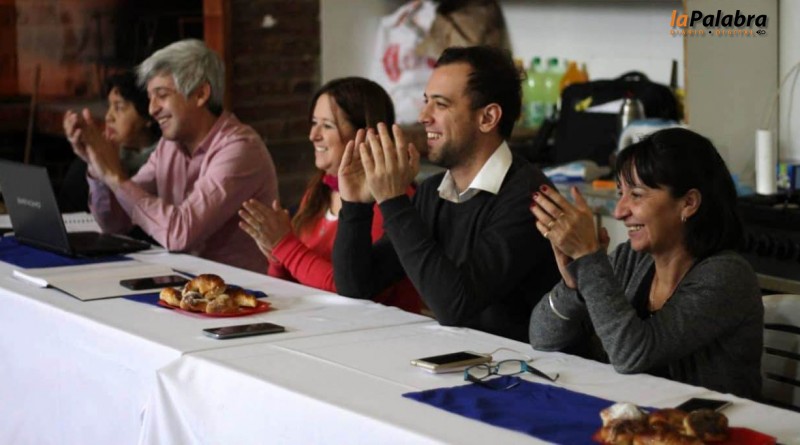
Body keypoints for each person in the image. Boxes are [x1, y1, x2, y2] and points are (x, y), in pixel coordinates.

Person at [332, 46, 559, 341]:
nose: (423, 116)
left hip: (523, 365)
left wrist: (393, 201)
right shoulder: (433, 191)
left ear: (488, 117)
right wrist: (355, 206)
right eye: (426, 101)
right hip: (464, 356)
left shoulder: (530, 198)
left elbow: (455, 306)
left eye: (440, 104)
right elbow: (357, 287)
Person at [529, 128, 763, 399]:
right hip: (636, 414)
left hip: (713, 422)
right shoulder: (631, 258)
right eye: (621, 193)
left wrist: (589, 259)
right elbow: (542, 337)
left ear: (688, 203)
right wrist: (574, 286)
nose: (619, 211)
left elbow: (632, 354)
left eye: (637, 195)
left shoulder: (726, 275)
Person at [63, 39, 278, 272]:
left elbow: (180, 234)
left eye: (162, 95)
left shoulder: (240, 149)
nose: (152, 109)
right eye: (150, 97)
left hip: (239, 289)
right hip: (183, 281)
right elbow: (115, 223)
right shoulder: (169, 145)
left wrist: (115, 177)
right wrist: (97, 164)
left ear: (200, 94)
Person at [238, 77, 421, 313]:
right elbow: (290, 289)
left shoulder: (393, 199)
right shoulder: (319, 191)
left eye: (327, 125)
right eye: (314, 123)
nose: (313, 135)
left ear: (363, 134)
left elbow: (351, 289)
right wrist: (276, 258)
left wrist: (283, 245)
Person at [60, 71, 161, 213]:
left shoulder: (165, 162)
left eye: (119, 108)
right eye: (109, 107)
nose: (108, 117)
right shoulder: (100, 158)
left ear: (148, 114)